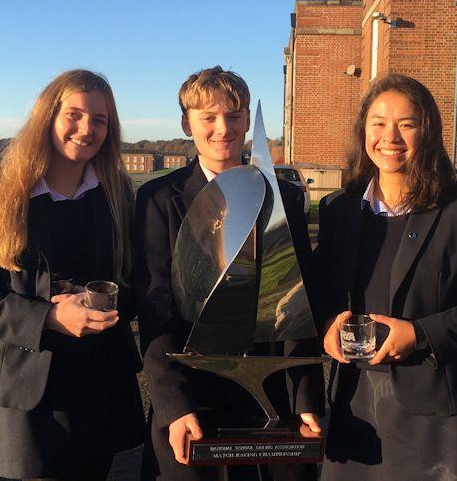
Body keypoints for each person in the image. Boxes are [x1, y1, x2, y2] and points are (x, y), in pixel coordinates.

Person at [316, 74, 457, 480]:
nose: (390, 137)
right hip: (354, 400)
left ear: (427, 132)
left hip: (436, 410)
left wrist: (418, 334)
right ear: (364, 131)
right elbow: (322, 290)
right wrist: (327, 324)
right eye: (378, 123)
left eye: (406, 124)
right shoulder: (338, 209)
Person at [0, 69, 144, 480]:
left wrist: (111, 302)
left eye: (100, 120)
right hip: (27, 386)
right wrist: (49, 317)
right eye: (74, 114)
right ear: (47, 116)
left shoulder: (118, 193)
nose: (86, 129)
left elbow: (137, 280)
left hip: (101, 379)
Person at [134, 66, 324, 481]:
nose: (224, 128)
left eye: (235, 115)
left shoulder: (285, 196)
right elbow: (155, 307)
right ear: (188, 124)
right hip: (194, 392)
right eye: (208, 117)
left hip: (274, 394)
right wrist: (174, 404)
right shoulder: (158, 200)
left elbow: (297, 301)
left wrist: (307, 397)